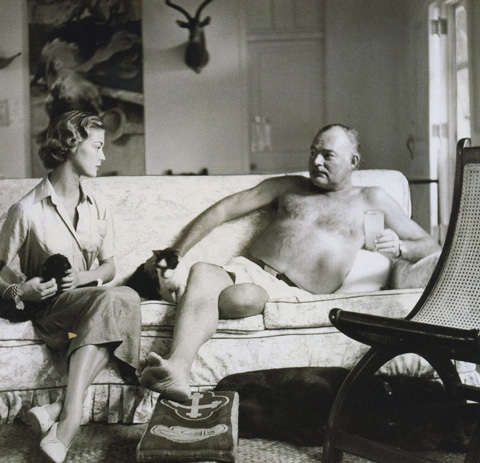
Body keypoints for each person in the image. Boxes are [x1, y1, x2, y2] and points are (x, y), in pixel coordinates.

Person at [139, 123, 441, 402]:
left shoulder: (372, 199)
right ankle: (177, 369)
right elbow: (225, 210)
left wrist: (400, 247)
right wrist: (176, 250)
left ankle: (183, 297)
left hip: (291, 293)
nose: (316, 161)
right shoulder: (290, 186)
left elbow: (429, 246)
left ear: (354, 161)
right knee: (202, 271)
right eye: (313, 152)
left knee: (242, 297)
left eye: (327, 155)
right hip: (248, 269)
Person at [0, 110, 141, 463]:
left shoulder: (99, 206)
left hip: (90, 307)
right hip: (53, 314)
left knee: (122, 296)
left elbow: (109, 267)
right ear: (70, 143)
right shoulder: (26, 209)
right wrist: (21, 290)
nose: (103, 156)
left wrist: (82, 278)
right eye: (97, 146)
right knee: (118, 300)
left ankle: (61, 411)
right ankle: (71, 420)